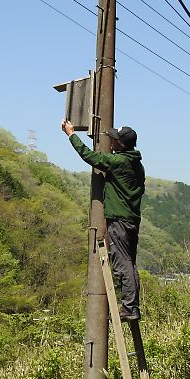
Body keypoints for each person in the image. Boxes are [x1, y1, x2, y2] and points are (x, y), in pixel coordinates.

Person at [62, 119, 145, 322]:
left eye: (115, 139)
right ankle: (132, 305)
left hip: (119, 220)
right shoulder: (137, 165)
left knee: (122, 264)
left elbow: (90, 156)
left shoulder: (118, 162)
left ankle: (129, 308)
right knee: (130, 263)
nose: (112, 141)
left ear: (121, 144)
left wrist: (71, 135)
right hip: (132, 218)